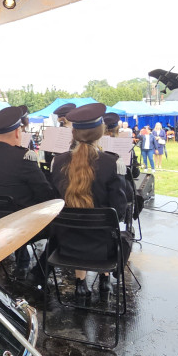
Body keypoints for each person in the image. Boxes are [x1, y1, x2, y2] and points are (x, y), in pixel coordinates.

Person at [52, 104, 129, 298]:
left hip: (66, 246)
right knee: (112, 229)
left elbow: (54, 202)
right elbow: (118, 211)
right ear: (100, 132)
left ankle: (80, 283)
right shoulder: (113, 163)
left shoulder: (58, 162)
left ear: (74, 132)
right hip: (102, 250)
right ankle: (105, 280)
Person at [0, 106, 57, 277]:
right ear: (18, 132)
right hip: (16, 227)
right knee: (61, 226)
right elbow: (46, 196)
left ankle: (23, 261)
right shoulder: (24, 157)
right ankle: (40, 273)